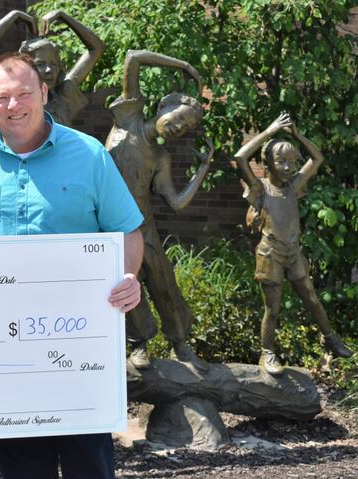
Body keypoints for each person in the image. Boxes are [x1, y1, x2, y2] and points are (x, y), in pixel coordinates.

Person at [0, 51, 143, 479]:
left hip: (78, 343)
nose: (13, 105)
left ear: (43, 93)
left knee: (87, 463)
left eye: (23, 94)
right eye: (2, 97)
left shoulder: (89, 155)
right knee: (19, 463)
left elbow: (127, 230)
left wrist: (129, 276)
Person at [104, 49, 214, 371]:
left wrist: (203, 167)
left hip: (142, 224)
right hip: (109, 223)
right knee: (125, 279)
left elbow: (177, 203)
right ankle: (139, 343)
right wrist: (183, 64)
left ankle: (181, 343)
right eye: (178, 118)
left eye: (185, 128)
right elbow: (133, 57)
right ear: (163, 106)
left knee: (164, 281)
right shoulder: (129, 118)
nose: (178, 128)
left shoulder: (161, 158)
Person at [233, 112, 354, 375]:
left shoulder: (294, 186)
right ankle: (267, 353)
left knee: (311, 297)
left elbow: (317, 158)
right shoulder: (260, 187)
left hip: (293, 252)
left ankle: (330, 338)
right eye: (281, 161)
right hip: (270, 253)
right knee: (272, 308)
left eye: (291, 162)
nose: (288, 167)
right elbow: (240, 157)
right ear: (268, 162)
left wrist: (297, 135)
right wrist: (270, 130)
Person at [0, 9, 104, 124]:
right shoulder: (16, 101)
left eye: (53, 64)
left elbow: (96, 48)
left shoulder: (63, 94)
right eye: (40, 64)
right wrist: (13, 16)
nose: (49, 70)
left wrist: (62, 15)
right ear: (25, 67)